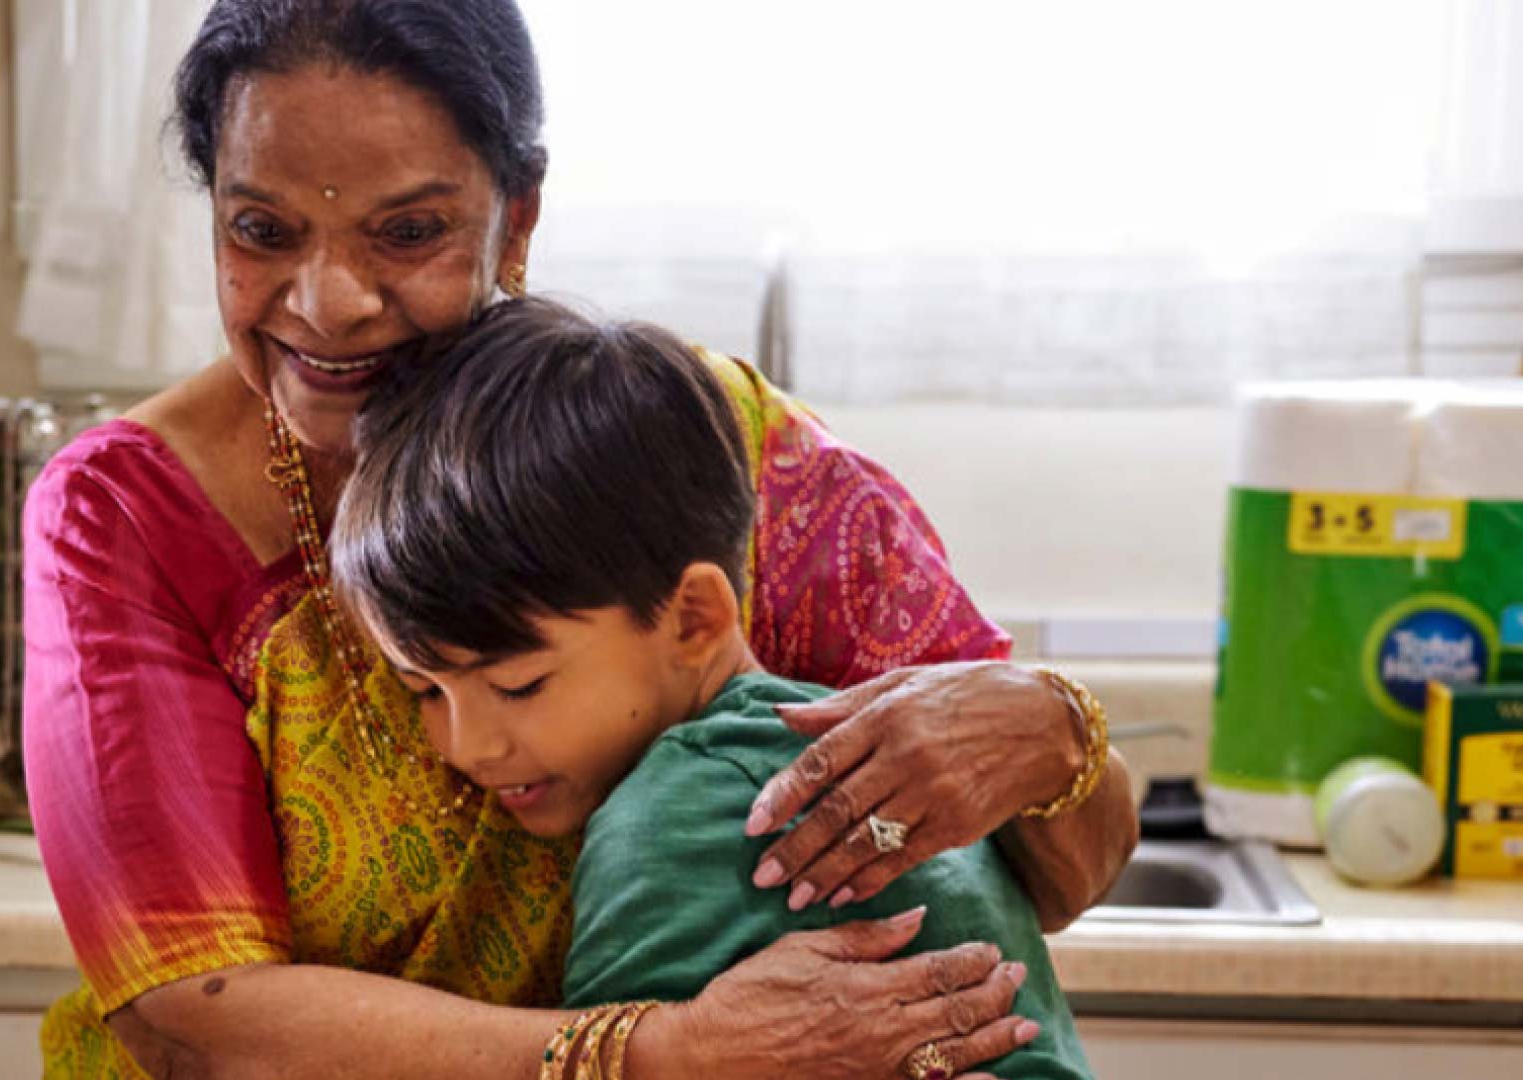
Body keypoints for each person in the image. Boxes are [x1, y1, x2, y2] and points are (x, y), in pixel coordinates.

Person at [22, 1, 1139, 1076]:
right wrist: (666, 1057)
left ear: (521, 215)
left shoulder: (690, 440)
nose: (329, 303)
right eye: (262, 232)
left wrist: (1049, 732)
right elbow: (190, 1021)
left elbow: (1024, 877)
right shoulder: (126, 520)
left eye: (409, 232)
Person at [330, 298, 1095, 1080]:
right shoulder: (900, 758)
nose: (467, 746)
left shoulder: (664, 823)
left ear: (693, 617)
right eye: (422, 689)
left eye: (518, 685)